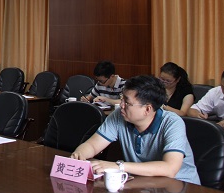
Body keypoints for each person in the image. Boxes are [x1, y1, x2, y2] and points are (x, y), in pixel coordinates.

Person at [71, 75, 200, 185]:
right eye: (122, 98)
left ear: (147, 109)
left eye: (127, 102)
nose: (121, 105)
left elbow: (170, 168)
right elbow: (93, 145)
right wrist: (79, 154)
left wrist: (119, 166)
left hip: (180, 187)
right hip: (142, 183)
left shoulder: (172, 123)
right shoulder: (119, 116)